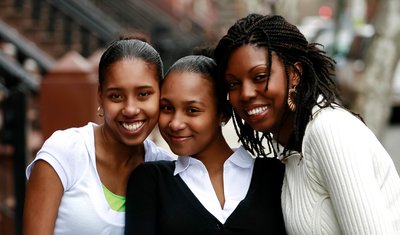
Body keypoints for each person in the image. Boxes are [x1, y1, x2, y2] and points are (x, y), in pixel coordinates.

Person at [213, 13, 400, 234]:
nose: (245, 94)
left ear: (294, 74)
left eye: (260, 76)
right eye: (233, 84)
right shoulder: (291, 147)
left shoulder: (329, 130)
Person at [23, 37, 175, 235]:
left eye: (144, 94)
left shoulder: (166, 168)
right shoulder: (64, 153)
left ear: (161, 96)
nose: (130, 109)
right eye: (116, 96)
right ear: (100, 97)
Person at [125, 54, 286, 234]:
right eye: (167, 108)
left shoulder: (275, 175)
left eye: (192, 110)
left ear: (223, 113)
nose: (175, 124)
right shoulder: (150, 181)